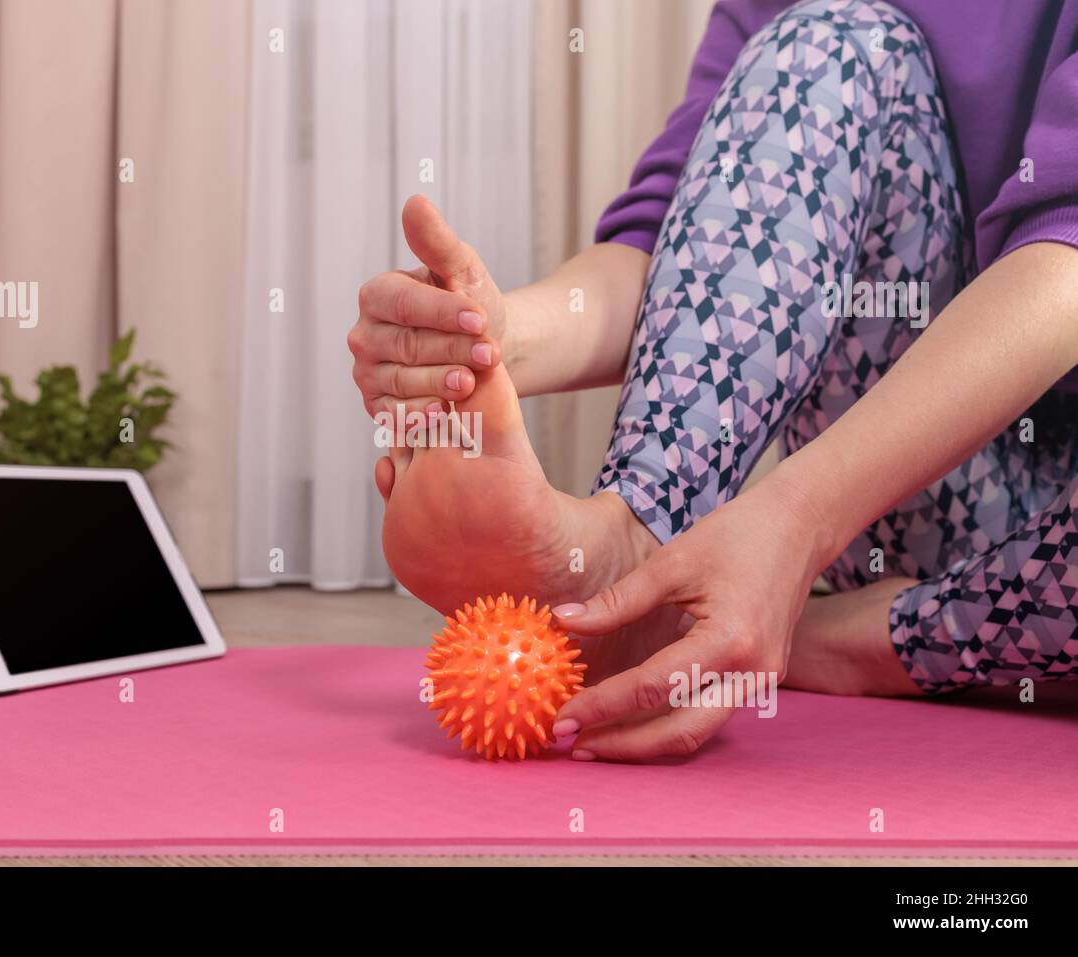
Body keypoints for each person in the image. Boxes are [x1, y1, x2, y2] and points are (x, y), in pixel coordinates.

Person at [348, 0, 1078, 762]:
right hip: (931, 484)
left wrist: (797, 516)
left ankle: (851, 639)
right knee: (825, 44)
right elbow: (697, 240)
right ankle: (636, 549)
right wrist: (490, 340)